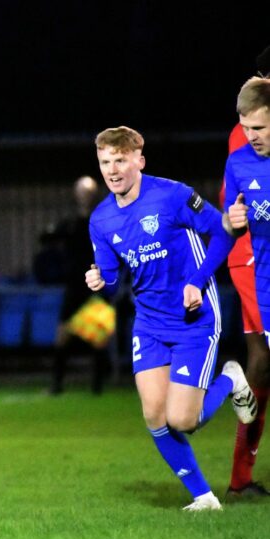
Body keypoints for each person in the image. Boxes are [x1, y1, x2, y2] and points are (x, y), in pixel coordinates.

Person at [86, 126, 257, 511]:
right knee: (154, 415)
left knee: (183, 420)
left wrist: (197, 282)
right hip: (148, 323)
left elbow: (223, 233)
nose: (112, 170)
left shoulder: (172, 195)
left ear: (139, 161)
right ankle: (204, 498)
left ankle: (230, 378)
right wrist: (100, 280)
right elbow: (113, 281)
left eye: (120, 160)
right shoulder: (100, 220)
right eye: (105, 162)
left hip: (192, 317)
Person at [220, 46, 270, 500]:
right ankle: (239, 476)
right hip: (252, 255)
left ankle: (240, 477)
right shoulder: (248, 136)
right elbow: (232, 207)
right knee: (262, 358)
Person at [46, 176, 111, 395]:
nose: (85, 196)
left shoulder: (102, 219)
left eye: (88, 192)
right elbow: (49, 237)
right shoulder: (70, 222)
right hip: (74, 284)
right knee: (62, 333)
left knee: (99, 337)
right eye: (81, 191)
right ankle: (56, 385)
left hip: (96, 284)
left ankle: (97, 388)